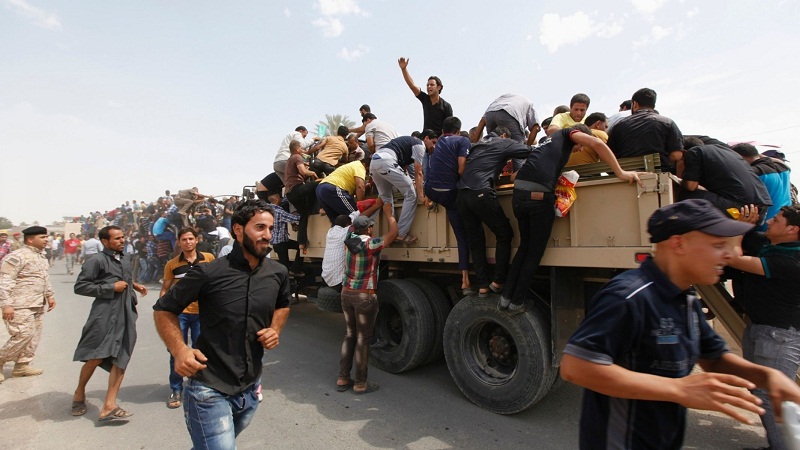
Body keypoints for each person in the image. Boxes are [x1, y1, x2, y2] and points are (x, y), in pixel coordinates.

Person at [560, 199, 800, 449]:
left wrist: (769, 377)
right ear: (678, 243)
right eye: (718, 245)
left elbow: (714, 358)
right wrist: (677, 389)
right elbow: (576, 366)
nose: (729, 255)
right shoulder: (628, 297)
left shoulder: (686, 301)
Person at [153, 199, 291, 449]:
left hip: (250, 390)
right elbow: (163, 310)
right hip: (209, 388)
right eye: (260, 227)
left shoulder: (278, 273)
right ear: (238, 230)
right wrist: (180, 350)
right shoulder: (208, 273)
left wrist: (275, 329)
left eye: (271, 228)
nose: (267, 235)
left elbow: (283, 304)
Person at [500, 124, 640, 313]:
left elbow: (515, 176)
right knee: (534, 253)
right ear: (578, 134)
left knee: (524, 248)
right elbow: (598, 144)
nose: (581, 149)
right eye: (581, 145)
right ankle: (517, 302)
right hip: (538, 199)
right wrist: (621, 173)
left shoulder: (546, 143)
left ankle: (505, 299)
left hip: (519, 197)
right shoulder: (567, 134)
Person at [728, 204, 800, 449]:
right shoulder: (774, 245)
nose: (768, 222)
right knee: (764, 393)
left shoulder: (792, 261)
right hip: (762, 329)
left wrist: (741, 228)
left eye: (776, 220)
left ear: (792, 230)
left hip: (778, 337)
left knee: (773, 397)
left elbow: (734, 259)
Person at [72, 226, 148, 421]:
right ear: (105, 242)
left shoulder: (125, 258)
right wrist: (110, 287)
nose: (122, 241)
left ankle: (109, 405)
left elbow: (124, 278)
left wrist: (134, 285)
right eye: (117, 239)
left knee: (122, 356)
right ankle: (79, 392)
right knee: (96, 355)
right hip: (104, 313)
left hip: (126, 312)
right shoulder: (96, 261)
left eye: (122, 237)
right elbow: (81, 286)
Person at [456, 127, 531, 296]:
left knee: (476, 241)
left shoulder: (476, 145)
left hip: (461, 196)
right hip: (480, 192)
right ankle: (498, 281)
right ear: (504, 135)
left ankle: (483, 285)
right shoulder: (503, 142)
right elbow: (528, 151)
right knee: (504, 234)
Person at [338, 202, 398, 394]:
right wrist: (388, 214)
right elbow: (393, 234)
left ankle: (343, 378)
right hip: (364, 296)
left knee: (349, 335)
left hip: (346, 293)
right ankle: (360, 383)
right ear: (369, 229)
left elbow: (353, 225)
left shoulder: (349, 239)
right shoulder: (370, 244)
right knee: (363, 339)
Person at [159, 228, 214, 409]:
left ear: (197, 240)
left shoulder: (209, 259)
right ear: (179, 242)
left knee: (201, 351)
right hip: (180, 314)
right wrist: (163, 311)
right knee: (177, 351)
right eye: (184, 239)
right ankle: (176, 389)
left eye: (191, 239)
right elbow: (165, 289)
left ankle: (199, 387)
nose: (188, 242)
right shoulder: (172, 264)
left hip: (203, 313)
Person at [0, 226, 56, 383]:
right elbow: (5, 282)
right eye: (42, 237)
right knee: (23, 334)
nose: (46, 240)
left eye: (46, 237)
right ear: (30, 239)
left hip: (37, 303)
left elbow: (43, 278)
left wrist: (49, 295)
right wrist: (6, 305)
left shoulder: (41, 256)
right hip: (19, 304)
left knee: (34, 337)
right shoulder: (16, 256)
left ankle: (22, 366)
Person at [424, 116, 472, 294]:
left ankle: (431, 202)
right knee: (462, 236)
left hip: (431, 190)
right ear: (458, 131)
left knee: (451, 208)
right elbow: (461, 169)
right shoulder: (462, 140)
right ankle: (465, 280)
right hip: (449, 192)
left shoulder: (438, 143)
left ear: (443, 131)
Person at [674, 137, 771, 223]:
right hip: (760, 212)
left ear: (684, 153)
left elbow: (690, 186)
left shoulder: (694, 151)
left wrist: (679, 171)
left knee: (685, 195)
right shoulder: (727, 152)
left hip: (742, 210)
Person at [370, 131, 438, 245]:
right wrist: (421, 196)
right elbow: (418, 173)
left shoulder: (406, 145)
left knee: (386, 199)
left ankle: (391, 234)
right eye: (434, 142)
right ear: (426, 138)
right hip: (387, 162)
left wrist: (411, 182)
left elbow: (403, 170)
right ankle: (400, 233)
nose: (434, 147)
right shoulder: (419, 144)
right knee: (411, 194)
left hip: (374, 163)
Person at [607, 87, 683, 169]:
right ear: (653, 105)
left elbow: (610, 155)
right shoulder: (668, 123)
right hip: (658, 174)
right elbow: (676, 155)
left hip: (626, 173)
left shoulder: (619, 125)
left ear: (635, 104)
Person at [321, 199, 384, 290]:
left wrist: (361, 209)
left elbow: (353, 216)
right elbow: (359, 221)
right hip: (339, 281)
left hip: (327, 277)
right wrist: (376, 206)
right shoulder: (344, 233)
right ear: (348, 224)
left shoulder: (330, 232)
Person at [732, 142, 793, 228]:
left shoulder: (752, 174)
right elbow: (779, 162)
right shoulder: (784, 168)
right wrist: (756, 154)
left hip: (765, 226)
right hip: (784, 224)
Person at [398, 57, 453, 134]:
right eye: (427, 85)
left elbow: (449, 128)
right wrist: (404, 69)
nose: (429, 87)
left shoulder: (446, 106)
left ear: (439, 87)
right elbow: (412, 86)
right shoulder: (425, 99)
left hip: (439, 139)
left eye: (432, 85)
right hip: (425, 138)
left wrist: (440, 139)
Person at [284, 140, 320, 253]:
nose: (303, 150)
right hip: (296, 189)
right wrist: (312, 173)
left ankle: (301, 243)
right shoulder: (297, 157)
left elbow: (300, 174)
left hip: (290, 194)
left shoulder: (290, 160)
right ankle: (320, 207)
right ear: (297, 149)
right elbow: (303, 172)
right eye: (301, 148)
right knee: (320, 183)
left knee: (304, 215)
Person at [471, 94, 540, 145]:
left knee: (493, 145)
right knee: (518, 148)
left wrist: (473, 145)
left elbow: (483, 120)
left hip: (490, 113)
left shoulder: (501, 100)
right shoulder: (528, 104)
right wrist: (526, 147)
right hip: (510, 113)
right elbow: (536, 127)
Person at [316, 160, 368, 224]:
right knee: (356, 215)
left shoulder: (350, 166)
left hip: (320, 188)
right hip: (332, 188)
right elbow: (360, 187)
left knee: (338, 222)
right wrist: (360, 206)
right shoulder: (360, 166)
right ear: (365, 165)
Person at [266, 194, 304, 277]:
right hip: (281, 243)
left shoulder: (268, 211)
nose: (282, 199)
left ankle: (294, 270)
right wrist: (303, 213)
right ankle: (292, 273)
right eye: (280, 198)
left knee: (299, 247)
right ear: (276, 199)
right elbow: (295, 218)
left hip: (277, 242)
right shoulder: (279, 212)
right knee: (284, 267)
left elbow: (286, 199)